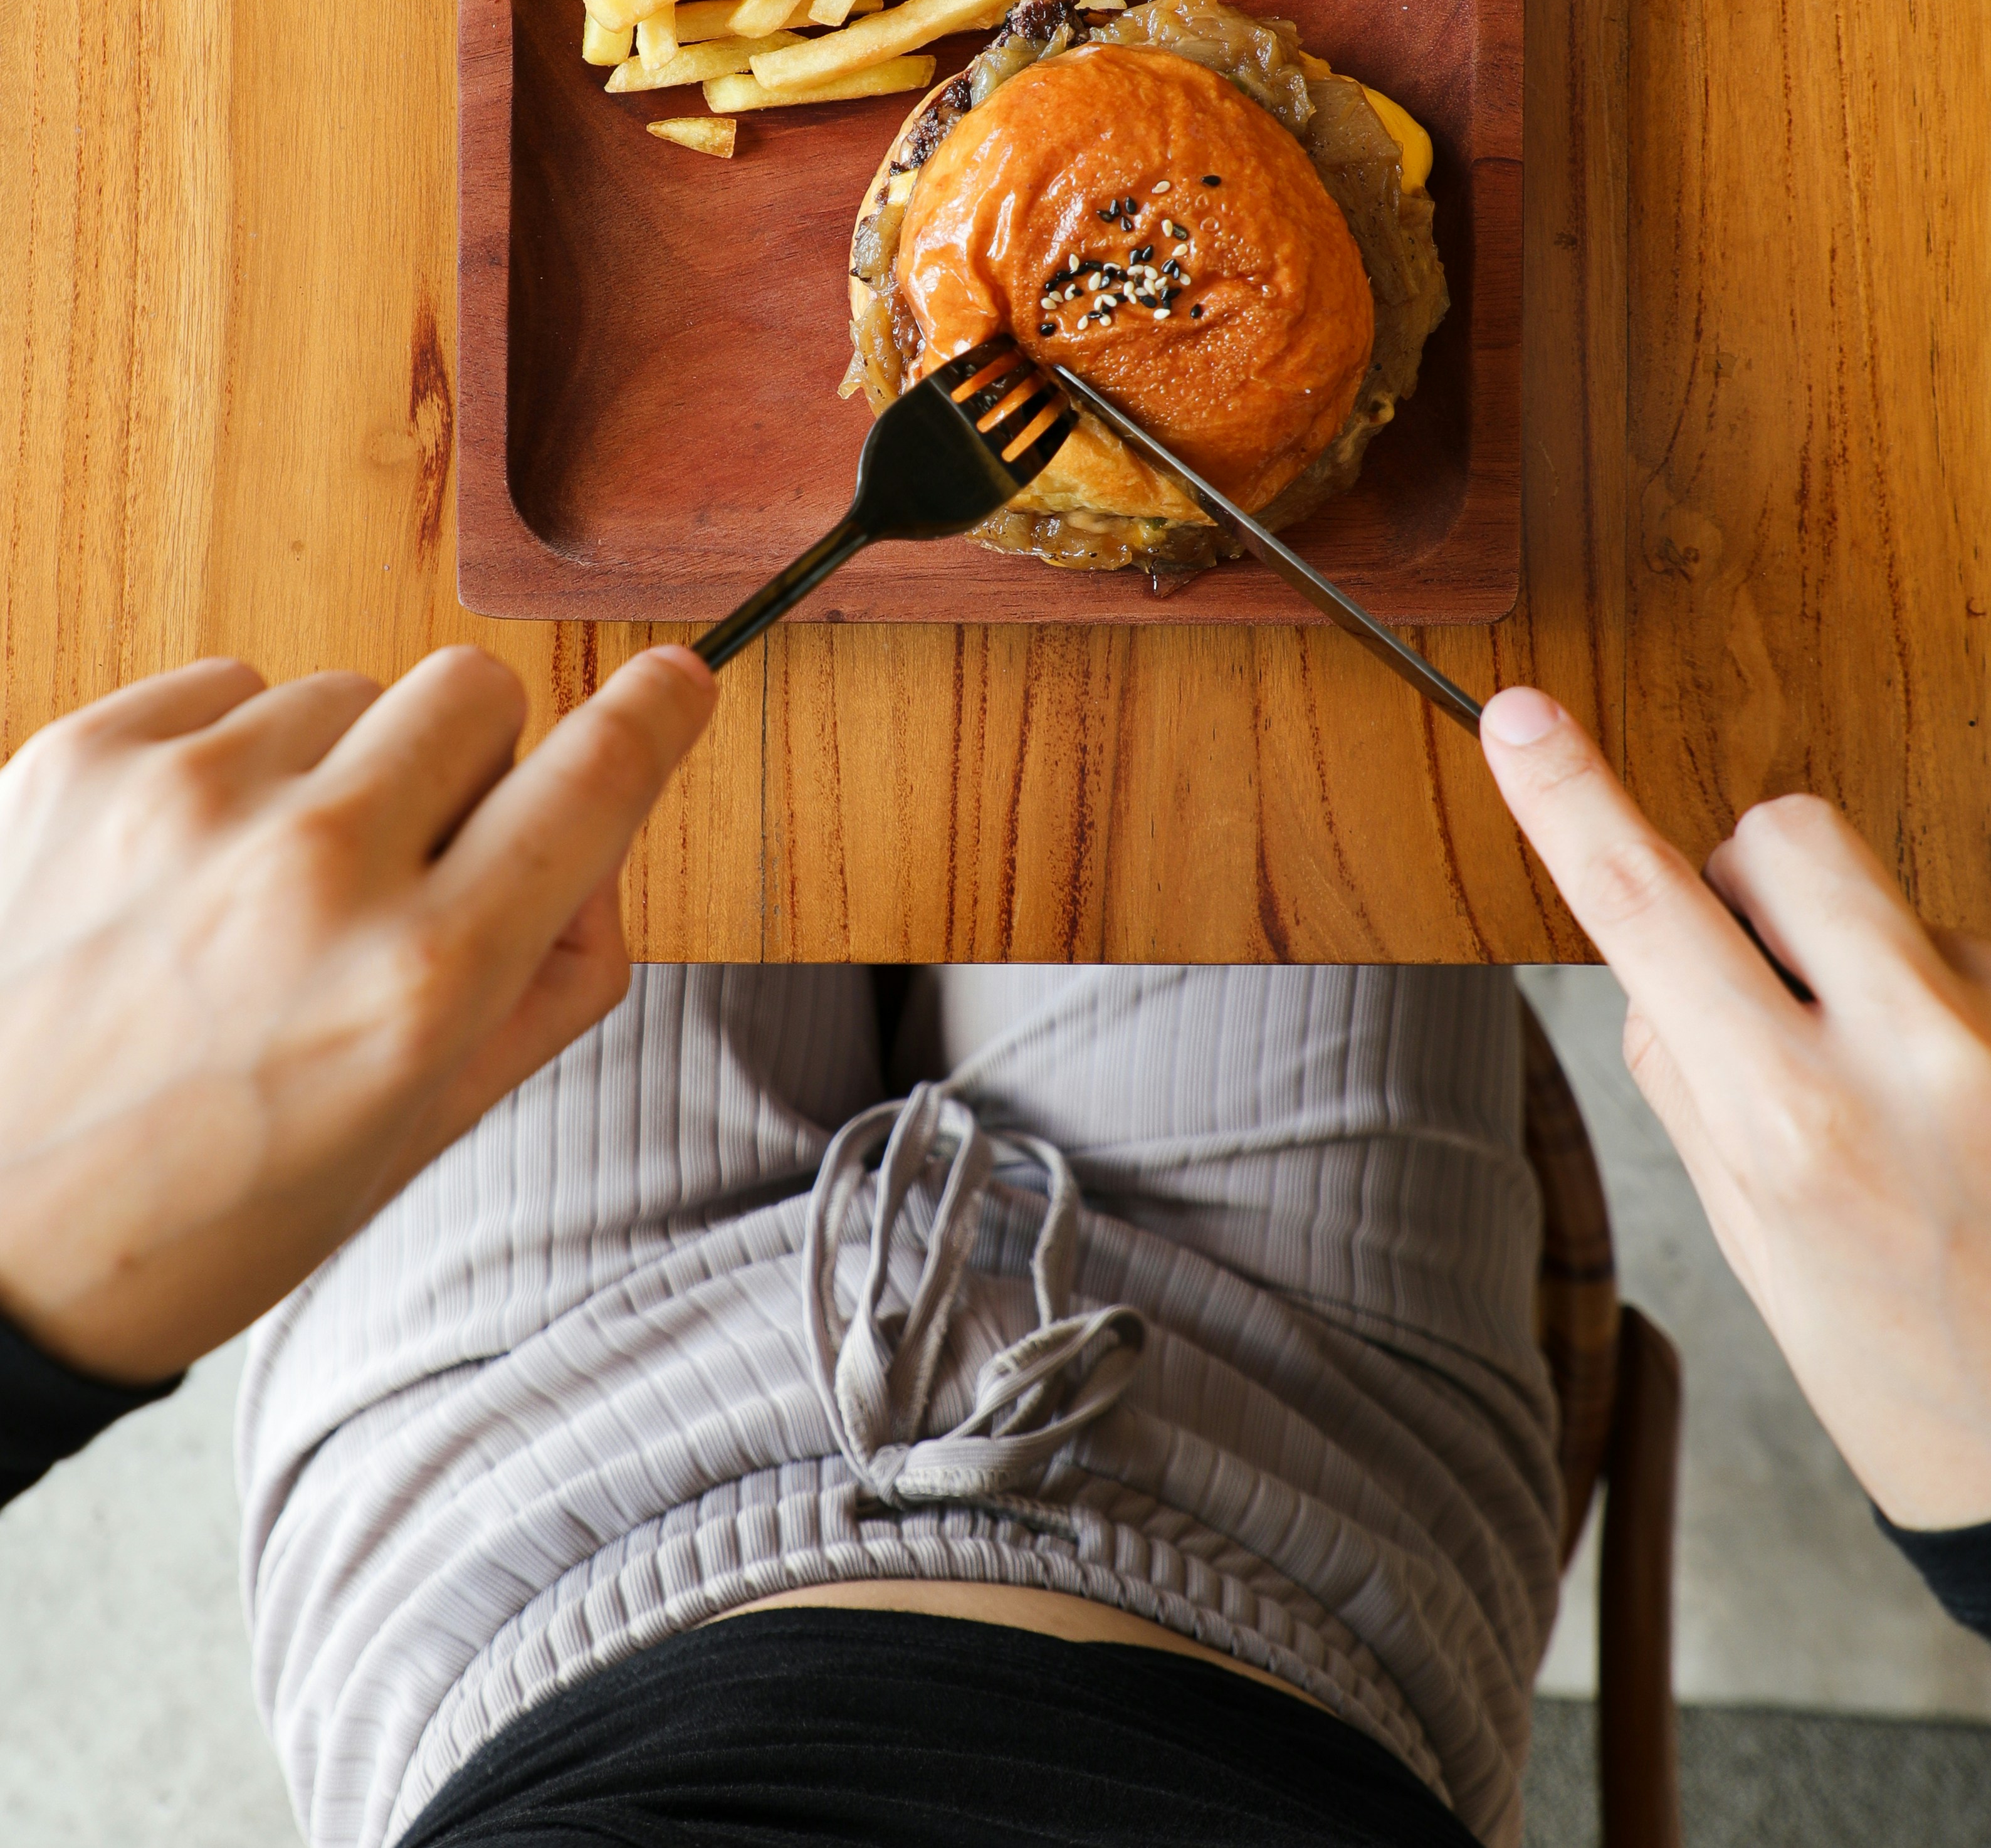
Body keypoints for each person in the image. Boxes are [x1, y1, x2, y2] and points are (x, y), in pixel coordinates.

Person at [0, 648, 1983, 1848]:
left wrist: (23, 1286)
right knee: (1221, 581)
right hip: (1294, 1503)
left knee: (455, 634)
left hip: (506, 1542)